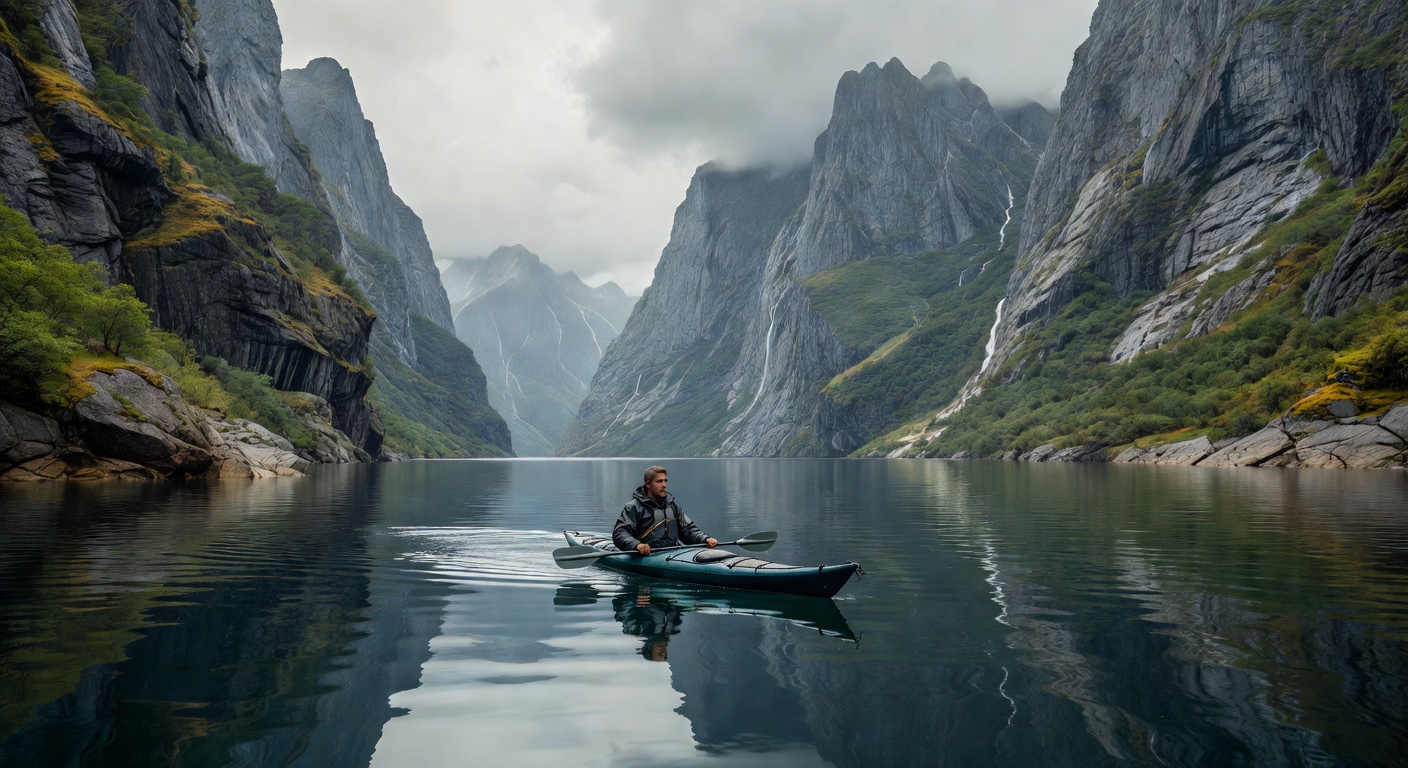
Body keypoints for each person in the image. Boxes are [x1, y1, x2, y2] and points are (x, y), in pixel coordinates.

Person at [613, 465, 717, 555]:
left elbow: (687, 530)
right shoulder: (634, 507)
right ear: (648, 485)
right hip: (647, 554)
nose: (664, 485)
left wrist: (705, 539)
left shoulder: (672, 504)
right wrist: (637, 545)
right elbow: (620, 533)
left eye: (665, 481)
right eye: (659, 481)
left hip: (673, 550)